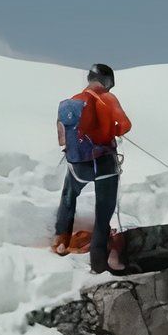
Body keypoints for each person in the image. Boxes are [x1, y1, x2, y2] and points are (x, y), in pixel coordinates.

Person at [55, 64, 133, 274]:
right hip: (104, 163)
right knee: (103, 211)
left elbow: (62, 138)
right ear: (107, 82)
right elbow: (125, 125)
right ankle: (98, 263)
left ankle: (61, 240)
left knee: (69, 196)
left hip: (78, 165)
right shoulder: (108, 99)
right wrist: (111, 130)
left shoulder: (71, 102)